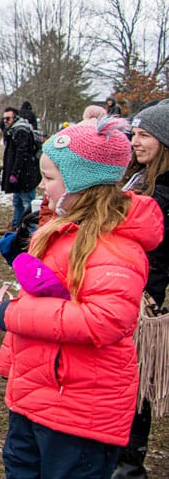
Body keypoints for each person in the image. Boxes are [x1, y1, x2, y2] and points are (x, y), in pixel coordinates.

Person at [0, 117, 162, 478]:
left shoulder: (114, 247)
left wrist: (13, 314)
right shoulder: (65, 231)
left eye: (50, 178)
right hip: (36, 396)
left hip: (79, 412)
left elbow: (104, 320)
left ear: (82, 183)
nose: (42, 186)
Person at [115, 101, 169, 478]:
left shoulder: (162, 192)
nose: (135, 141)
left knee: (135, 384)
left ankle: (128, 466)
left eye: (144, 135)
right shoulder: (142, 177)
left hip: (146, 296)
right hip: (129, 287)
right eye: (134, 133)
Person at [1, 106, 42, 233]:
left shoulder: (21, 131)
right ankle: (17, 228)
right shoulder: (13, 130)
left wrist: (15, 173)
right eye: (4, 119)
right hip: (21, 176)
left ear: (15, 117)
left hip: (26, 175)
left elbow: (21, 154)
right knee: (17, 202)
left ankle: (31, 232)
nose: (5, 121)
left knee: (27, 204)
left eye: (8, 118)